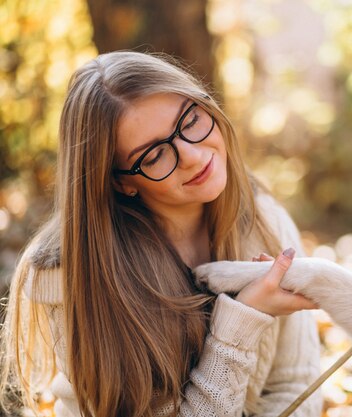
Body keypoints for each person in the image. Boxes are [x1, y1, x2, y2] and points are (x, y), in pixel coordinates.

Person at [0, 51, 322, 417]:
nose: (191, 156)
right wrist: (241, 322)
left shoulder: (266, 221)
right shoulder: (70, 275)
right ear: (122, 183)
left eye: (191, 120)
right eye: (153, 156)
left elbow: (298, 384)